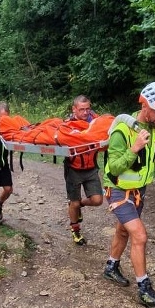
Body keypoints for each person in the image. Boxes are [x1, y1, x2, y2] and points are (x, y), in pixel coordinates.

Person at [102, 82, 155, 308]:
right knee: (140, 235)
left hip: (138, 192)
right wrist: (133, 148)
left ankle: (111, 267)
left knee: (123, 230)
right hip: (117, 190)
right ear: (144, 105)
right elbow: (113, 168)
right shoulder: (122, 130)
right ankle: (144, 288)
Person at [64, 94, 103, 246]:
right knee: (73, 203)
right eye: (82, 110)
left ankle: (79, 204)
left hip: (91, 168)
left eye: (88, 109)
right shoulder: (67, 125)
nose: (85, 112)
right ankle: (76, 231)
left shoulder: (96, 122)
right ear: (74, 109)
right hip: (73, 168)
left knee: (97, 200)